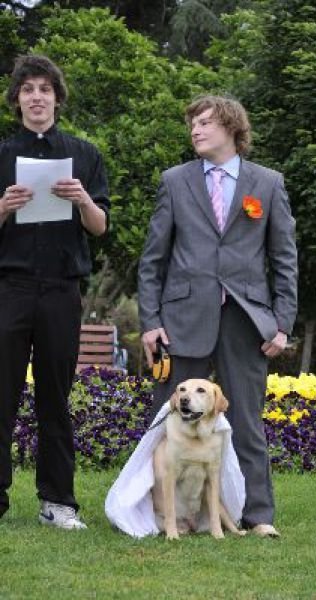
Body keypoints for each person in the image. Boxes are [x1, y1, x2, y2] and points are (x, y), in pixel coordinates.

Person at [138, 95, 297, 537]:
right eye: (192, 123)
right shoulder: (174, 181)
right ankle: (160, 516)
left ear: (231, 128)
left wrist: (282, 323)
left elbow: (284, 258)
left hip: (246, 320)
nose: (195, 130)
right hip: (182, 318)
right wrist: (150, 321)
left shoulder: (267, 184)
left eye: (205, 122)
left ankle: (259, 516)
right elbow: (154, 260)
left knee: (246, 421)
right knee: (167, 424)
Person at [0, 55, 110, 529]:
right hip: (10, 288)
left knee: (55, 399)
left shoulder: (85, 154)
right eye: (28, 89)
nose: (37, 96)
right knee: (1, 395)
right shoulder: (2, 154)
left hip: (62, 291)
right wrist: (2, 207)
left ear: (57, 98)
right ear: (17, 99)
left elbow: (100, 227)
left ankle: (58, 502)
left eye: (45, 89)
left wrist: (83, 199)